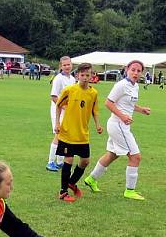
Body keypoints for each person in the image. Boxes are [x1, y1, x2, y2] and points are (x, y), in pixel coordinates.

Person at [84, 60, 151, 201]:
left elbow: (129, 104)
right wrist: (123, 116)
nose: (135, 73)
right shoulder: (121, 85)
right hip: (118, 125)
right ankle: (130, 190)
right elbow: (108, 102)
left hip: (121, 125)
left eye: (139, 71)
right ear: (127, 69)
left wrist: (141, 109)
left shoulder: (136, 86)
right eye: (133, 69)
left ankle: (91, 179)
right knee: (135, 157)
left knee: (112, 155)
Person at [54, 63, 103, 202]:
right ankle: (63, 192)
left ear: (92, 76)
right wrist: (57, 123)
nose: (85, 78)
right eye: (82, 75)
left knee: (85, 161)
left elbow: (95, 110)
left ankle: (71, 182)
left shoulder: (93, 93)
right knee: (68, 160)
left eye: (88, 75)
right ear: (77, 76)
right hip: (68, 132)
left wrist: (98, 125)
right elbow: (58, 106)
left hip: (82, 134)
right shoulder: (69, 90)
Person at [46, 57, 76, 172]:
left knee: (64, 135)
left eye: (69, 64)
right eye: (65, 65)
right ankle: (50, 162)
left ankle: (59, 161)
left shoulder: (72, 79)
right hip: (57, 111)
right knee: (58, 135)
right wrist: (64, 107)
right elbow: (54, 96)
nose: (67, 67)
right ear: (61, 66)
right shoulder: (58, 79)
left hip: (67, 111)